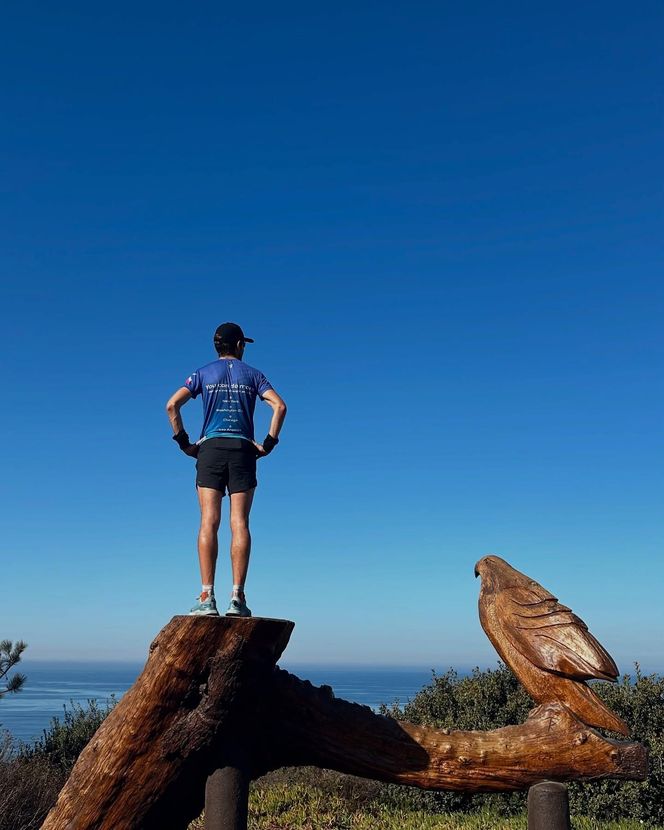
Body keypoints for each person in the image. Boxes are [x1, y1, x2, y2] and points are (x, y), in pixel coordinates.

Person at [166, 322, 287, 618]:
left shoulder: (203, 373)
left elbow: (172, 405)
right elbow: (279, 407)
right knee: (240, 523)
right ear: (239, 345)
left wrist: (184, 443)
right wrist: (268, 444)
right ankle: (237, 598)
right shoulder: (254, 375)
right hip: (243, 449)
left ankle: (207, 596)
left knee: (209, 521)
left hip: (210, 450)